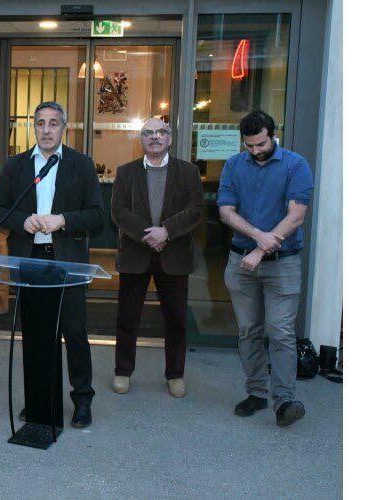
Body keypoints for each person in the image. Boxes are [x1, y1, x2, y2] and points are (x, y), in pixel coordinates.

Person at [0, 101, 104, 428]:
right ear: (33, 127)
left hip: (67, 261)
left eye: (53, 123)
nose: (46, 129)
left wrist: (63, 220)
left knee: (74, 331)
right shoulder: (15, 166)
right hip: (31, 261)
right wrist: (22, 220)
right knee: (37, 334)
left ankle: (82, 399)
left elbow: (97, 216)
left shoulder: (81, 165)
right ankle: (39, 397)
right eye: (40, 123)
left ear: (63, 128)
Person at [218, 110, 314, 427]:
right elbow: (226, 212)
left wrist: (261, 247)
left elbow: (296, 215)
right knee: (249, 331)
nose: (256, 150)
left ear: (274, 134)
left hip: (282, 264)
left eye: (261, 143)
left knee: (281, 332)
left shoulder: (295, 165)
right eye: (250, 145)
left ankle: (284, 400)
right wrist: (257, 235)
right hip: (240, 262)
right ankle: (257, 392)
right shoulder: (233, 165)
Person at [111, 117, 203, 398]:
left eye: (160, 132)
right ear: (141, 140)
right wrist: (148, 234)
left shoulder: (188, 172)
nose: (154, 137)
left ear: (169, 139)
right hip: (136, 254)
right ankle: (123, 372)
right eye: (148, 133)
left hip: (173, 254)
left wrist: (166, 232)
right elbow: (119, 211)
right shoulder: (126, 172)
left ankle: (175, 375)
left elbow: (195, 209)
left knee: (176, 319)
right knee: (128, 317)